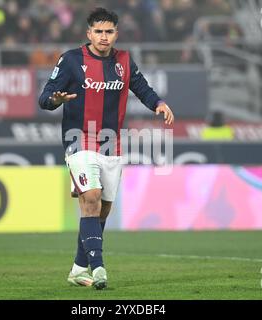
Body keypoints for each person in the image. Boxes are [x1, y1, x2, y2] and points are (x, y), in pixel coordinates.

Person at [39, 7, 174, 290]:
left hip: (111, 143)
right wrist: (56, 100)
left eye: (109, 31)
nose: (103, 36)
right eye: (98, 31)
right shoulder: (71, 60)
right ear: (89, 33)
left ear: (116, 33)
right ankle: (98, 267)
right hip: (78, 140)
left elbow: (142, 87)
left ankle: (78, 268)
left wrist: (158, 103)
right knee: (92, 197)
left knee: (101, 211)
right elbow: (44, 97)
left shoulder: (124, 60)